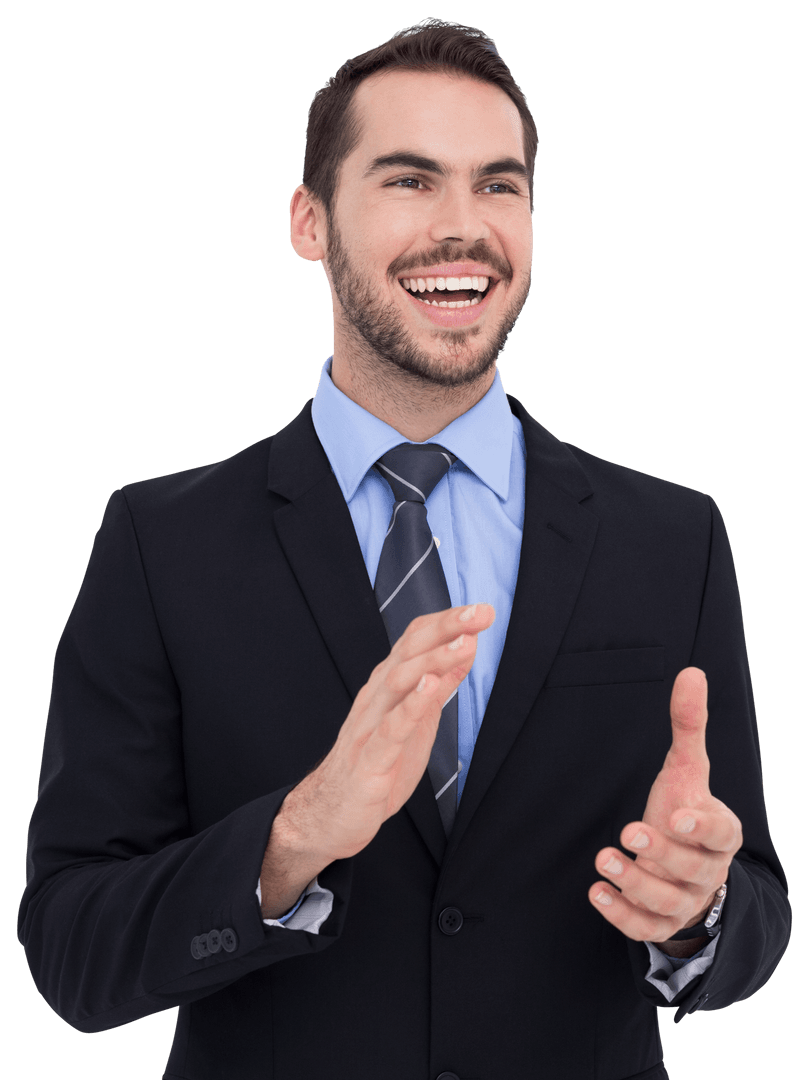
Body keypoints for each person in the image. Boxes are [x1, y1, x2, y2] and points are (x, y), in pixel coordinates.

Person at [18, 18, 790, 1079]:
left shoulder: (672, 536)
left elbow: (754, 913)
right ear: (308, 221)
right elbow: (71, 950)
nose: (461, 229)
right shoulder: (160, 542)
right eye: (409, 181)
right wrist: (293, 838)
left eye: (498, 185)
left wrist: (696, 911)